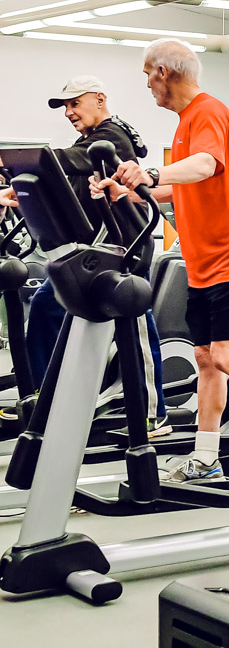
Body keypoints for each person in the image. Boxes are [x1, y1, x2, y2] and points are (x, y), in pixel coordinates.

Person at [112, 40, 229, 483]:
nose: (147, 82)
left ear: (165, 71)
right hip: (205, 261)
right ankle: (206, 458)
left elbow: (206, 165)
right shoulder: (188, 120)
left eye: (148, 73)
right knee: (206, 358)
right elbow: (186, 186)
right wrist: (129, 191)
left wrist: (151, 174)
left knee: (227, 355)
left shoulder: (208, 111)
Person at [0, 76, 167, 429]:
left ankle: (154, 413)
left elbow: (67, 162)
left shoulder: (113, 136)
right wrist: (26, 188)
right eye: (65, 107)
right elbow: (70, 186)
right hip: (93, 248)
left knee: (136, 324)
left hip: (127, 246)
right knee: (46, 305)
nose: (69, 112)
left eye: (74, 104)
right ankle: (45, 395)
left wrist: (31, 163)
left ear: (100, 99)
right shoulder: (88, 141)